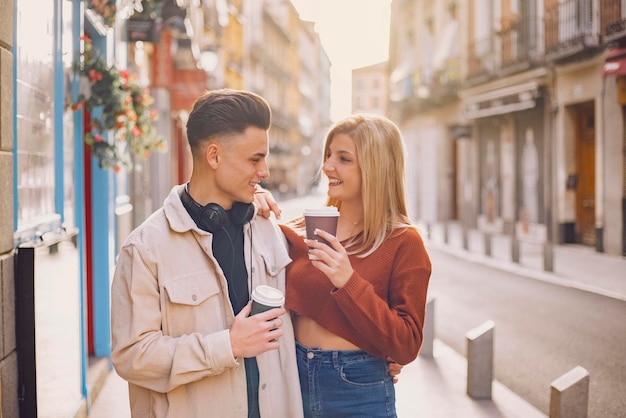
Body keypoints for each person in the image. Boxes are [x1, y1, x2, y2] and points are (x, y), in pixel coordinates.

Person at [110, 89, 303, 418]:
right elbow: (132, 356)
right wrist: (227, 346)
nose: (265, 171)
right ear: (214, 156)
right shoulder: (144, 248)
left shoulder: (265, 227)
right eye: (255, 159)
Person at [261, 113, 432, 417]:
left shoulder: (404, 243)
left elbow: (406, 344)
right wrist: (255, 200)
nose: (327, 166)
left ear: (375, 168)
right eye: (328, 155)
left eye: (343, 158)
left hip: (357, 389)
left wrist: (347, 280)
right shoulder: (300, 229)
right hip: (291, 377)